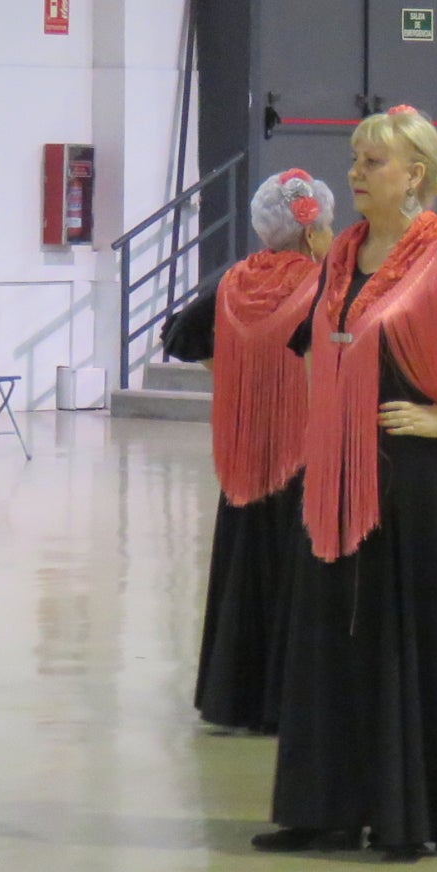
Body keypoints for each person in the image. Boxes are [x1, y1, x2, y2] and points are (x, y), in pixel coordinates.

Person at [257, 107, 437, 862]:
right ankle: (325, 808)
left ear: (414, 174)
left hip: (410, 482)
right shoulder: (343, 254)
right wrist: (329, 424)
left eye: (372, 161)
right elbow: (312, 344)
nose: (355, 171)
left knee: (397, 640)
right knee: (330, 636)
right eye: (355, 158)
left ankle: (408, 810)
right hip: (337, 476)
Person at [160, 170, 335, 733]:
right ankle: (298, 698)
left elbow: (178, 334)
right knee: (303, 569)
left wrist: (236, 371)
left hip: (245, 446)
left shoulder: (235, 280)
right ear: (311, 229)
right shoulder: (327, 282)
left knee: (246, 565)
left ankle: (236, 697)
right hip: (306, 444)